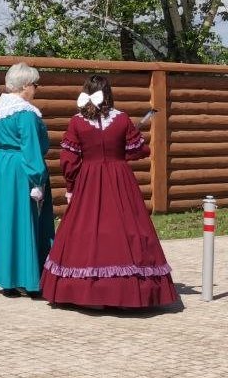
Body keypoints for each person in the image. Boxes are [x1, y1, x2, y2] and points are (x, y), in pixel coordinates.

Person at [40, 76, 179, 309]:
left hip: (88, 179)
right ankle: (127, 293)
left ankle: (86, 292)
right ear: (109, 93)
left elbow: (69, 160)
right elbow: (136, 151)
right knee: (123, 228)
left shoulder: (77, 122)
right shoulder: (122, 118)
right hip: (119, 178)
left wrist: (71, 186)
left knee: (87, 230)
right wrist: (130, 141)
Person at [0, 63, 55, 297]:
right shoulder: (25, 113)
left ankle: (8, 278)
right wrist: (38, 178)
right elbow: (32, 147)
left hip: (4, 168)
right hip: (21, 168)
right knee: (27, 220)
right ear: (25, 85)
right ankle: (29, 279)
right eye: (35, 84)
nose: (36, 89)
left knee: (6, 221)